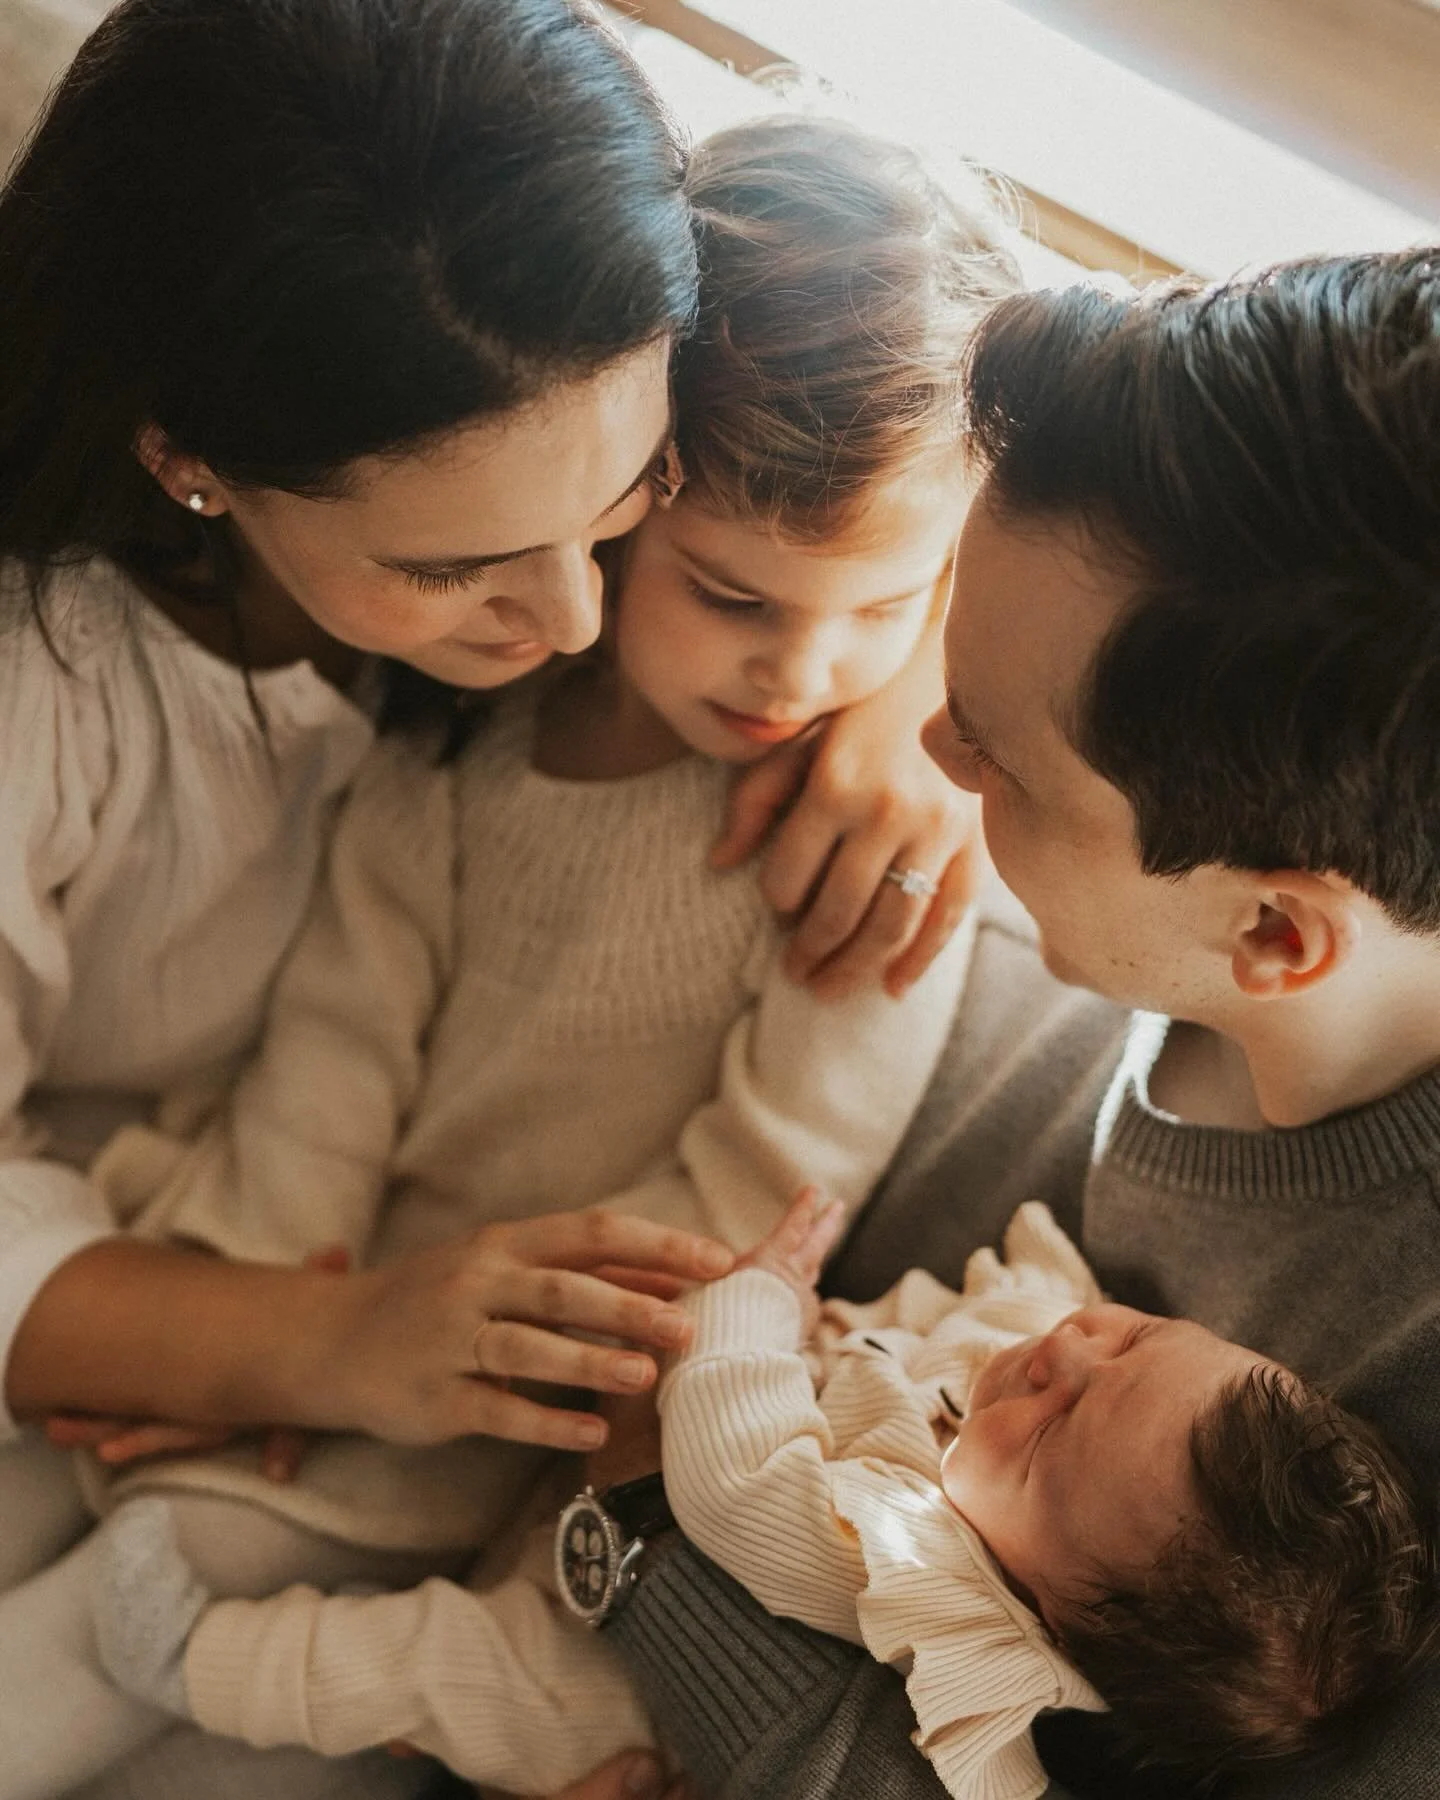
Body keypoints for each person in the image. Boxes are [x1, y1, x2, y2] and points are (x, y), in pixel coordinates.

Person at [0, 3, 980, 1794]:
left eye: (617, 508)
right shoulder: (59, 698)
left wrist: (931, 702)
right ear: (186, 454)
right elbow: (336, 1029)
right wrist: (293, 1332)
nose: (577, 630)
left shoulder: (567, 230)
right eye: (455, 567)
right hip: (152, 1268)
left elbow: (921, 339)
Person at [559, 247, 1440, 1800]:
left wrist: (632, 1532)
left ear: (1275, 933)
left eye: (999, 756)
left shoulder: (1389, 1363)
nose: (924, 741)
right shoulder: (1175, 908)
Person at [89, 1190, 1437, 1799]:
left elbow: (733, 1485)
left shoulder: (918, 1571)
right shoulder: (1058, 1432)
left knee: (435, 1665)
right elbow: (938, 1330)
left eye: (1056, 1421)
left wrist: (754, 1309)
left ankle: (192, 1658)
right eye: (1136, 1337)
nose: (1069, 1350)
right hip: (618, 1517)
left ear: (1049, 1622)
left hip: (607, 1695)